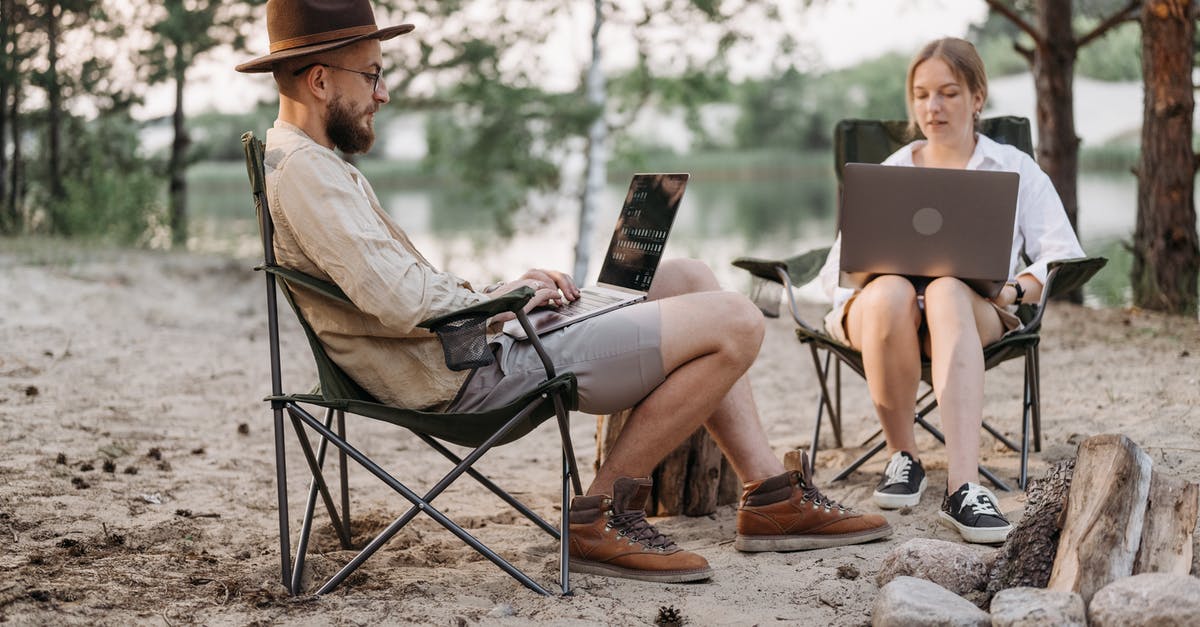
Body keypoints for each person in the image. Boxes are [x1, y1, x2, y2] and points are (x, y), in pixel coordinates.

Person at [237, 0, 892, 584]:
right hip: (464, 374)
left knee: (688, 276)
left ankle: (770, 495)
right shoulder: (307, 174)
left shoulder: (314, 164)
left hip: (472, 345)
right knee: (739, 320)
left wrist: (508, 291)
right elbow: (405, 302)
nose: (383, 93)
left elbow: (403, 290)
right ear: (320, 80)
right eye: (373, 73)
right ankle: (598, 512)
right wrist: (508, 299)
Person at [817, 37, 1084, 544]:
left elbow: (1061, 255)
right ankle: (904, 456)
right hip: (882, 317)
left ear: (977, 97)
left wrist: (1010, 292)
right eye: (921, 95)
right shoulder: (891, 171)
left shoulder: (1013, 168)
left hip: (970, 312)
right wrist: (870, 273)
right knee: (893, 289)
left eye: (948, 93)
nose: (932, 108)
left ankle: (964, 487)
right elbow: (840, 269)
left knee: (945, 290)